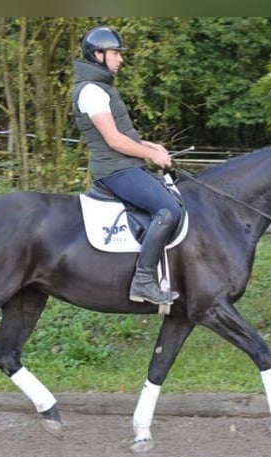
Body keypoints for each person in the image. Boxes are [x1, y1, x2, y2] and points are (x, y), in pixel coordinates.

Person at [72, 25, 182, 305]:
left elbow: (123, 136)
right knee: (167, 209)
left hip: (123, 165)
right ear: (98, 54)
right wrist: (150, 156)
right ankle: (143, 281)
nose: (120, 60)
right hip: (115, 170)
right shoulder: (91, 92)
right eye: (115, 53)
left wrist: (150, 146)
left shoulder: (101, 88)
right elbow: (113, 140)